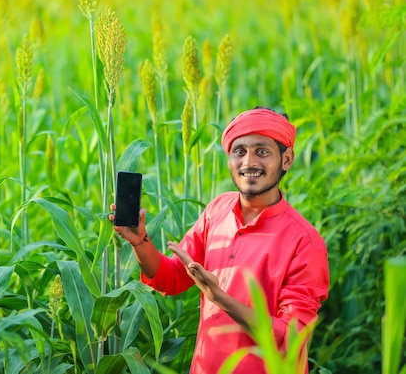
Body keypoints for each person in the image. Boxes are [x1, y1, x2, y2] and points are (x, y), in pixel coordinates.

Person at [111, 107, 330, 374]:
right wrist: (139, 241)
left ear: (286, 159)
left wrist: (221, 298)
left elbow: (291, 339)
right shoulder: (217, 210)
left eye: (262, 151)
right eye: (239, 152)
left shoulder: (305, 242)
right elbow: (172, 278)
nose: (249, 162)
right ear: (229, 161)